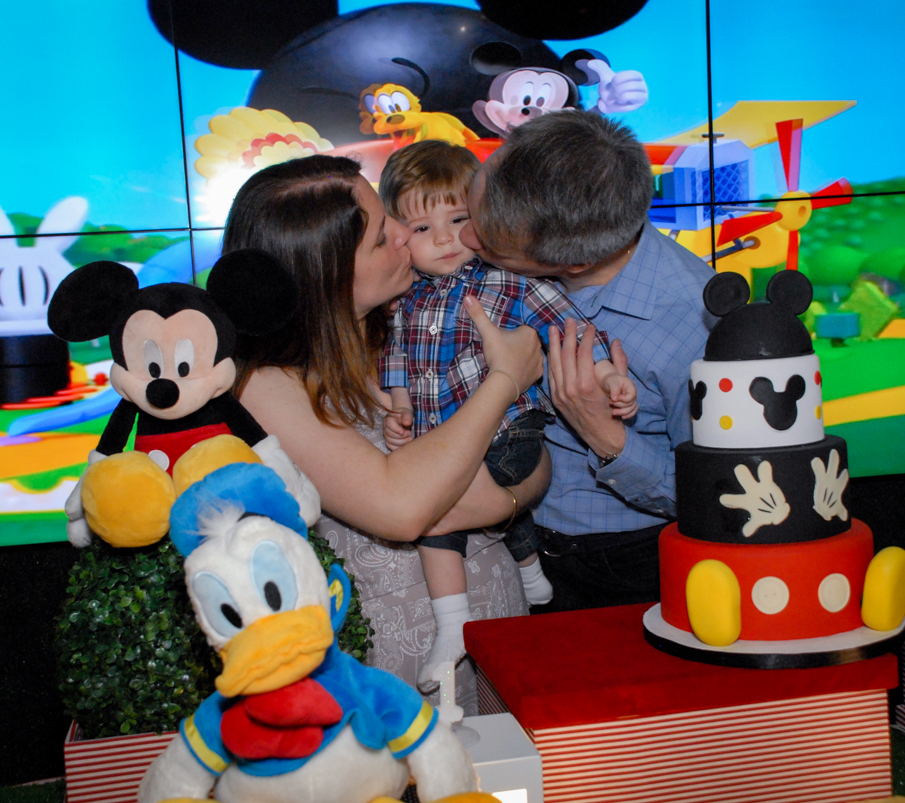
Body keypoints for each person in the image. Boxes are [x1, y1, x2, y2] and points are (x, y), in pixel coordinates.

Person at [220, 154, 548, 709]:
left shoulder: (411, 326)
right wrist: (506, 378)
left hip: (497, 629)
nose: (403, 233)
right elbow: (401, 507)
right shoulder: (266, 387)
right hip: (397, 673)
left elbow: (533, 454)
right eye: (379, 237)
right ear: (323, 275)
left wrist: (508, 495)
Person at [376, 140, 638, 688]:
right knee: (457, 489)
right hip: (450, 439)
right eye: (423, 229)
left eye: (459, 219)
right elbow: (396, 359)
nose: (446, 238)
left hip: (511, 431)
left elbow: (570, 329)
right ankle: (529, 570)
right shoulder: (404, 302)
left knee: (436, 519)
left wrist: (611, 377)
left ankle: (454, 627)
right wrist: (399, 407)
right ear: (399, 237)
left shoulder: (509, 283)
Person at [459, 110, 717, 612]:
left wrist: (604, 434)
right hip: (518, 542)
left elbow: (713, 499)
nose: (465, 241)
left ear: (573, 262)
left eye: (489, 245)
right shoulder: (546, 251)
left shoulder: (696, 324)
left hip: (626, 567)